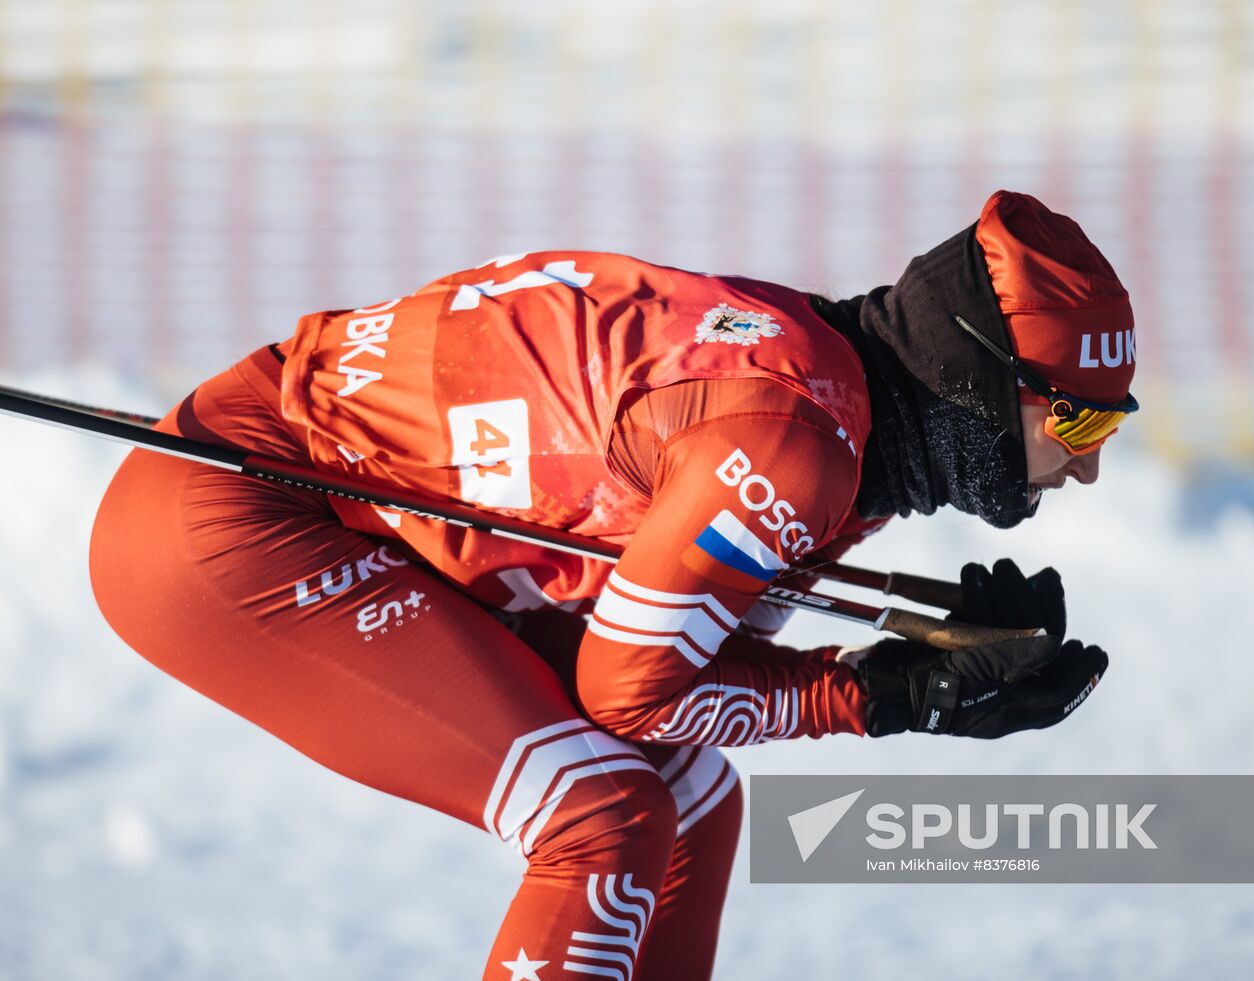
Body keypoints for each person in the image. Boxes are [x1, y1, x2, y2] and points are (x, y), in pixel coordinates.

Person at [88, 189, 1134, 979]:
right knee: (603, 818)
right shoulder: (791, 443)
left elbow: (689, 652)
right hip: (234, 517)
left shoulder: (835, 393)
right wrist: (878, 695)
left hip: (320, 494)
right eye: (1078, 419)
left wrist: (917, 670)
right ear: (984, 380)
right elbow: (631, 692)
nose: (1084, 466)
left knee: (689, 798)